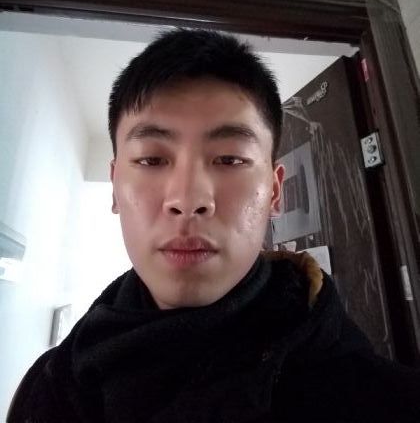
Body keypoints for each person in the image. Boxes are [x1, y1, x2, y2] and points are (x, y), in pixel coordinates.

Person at [8, 29, 420, 422]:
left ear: (275, 191)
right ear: (115, 186)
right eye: (151, 159)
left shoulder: (385, 402)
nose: (188, 200)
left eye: (230, 159)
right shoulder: (46, 391)